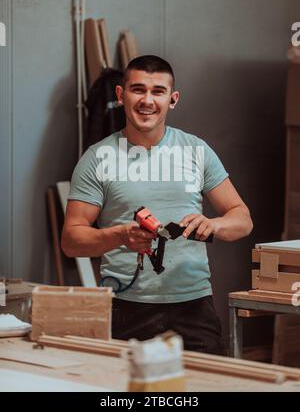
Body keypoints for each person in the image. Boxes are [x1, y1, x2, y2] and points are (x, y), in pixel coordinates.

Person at [62, 55, 253, 354]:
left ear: (172, 99)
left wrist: (213, 224)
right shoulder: (97, 158)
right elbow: (71, 241)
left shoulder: (196, 151)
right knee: (127, 396)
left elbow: (242, 219)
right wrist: (119, 236)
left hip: (193, 306)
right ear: (121, 95)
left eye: (158, 91)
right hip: (125, 308)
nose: (147, 100)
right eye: (138, 90)